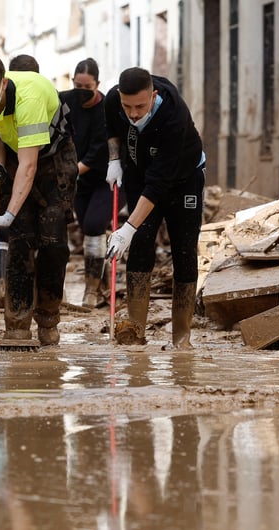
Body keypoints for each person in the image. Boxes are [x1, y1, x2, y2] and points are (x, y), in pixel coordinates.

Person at [0, 51, 77, 345]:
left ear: (2, 83)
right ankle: (16, 324)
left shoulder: (30, 98)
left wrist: (8, 213)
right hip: (16, 152)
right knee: (19, 241)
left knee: (53, 243)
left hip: (54, 158)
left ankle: (49, 319)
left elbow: (30, 166)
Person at [104, 67, 205, 349]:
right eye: (128, 106)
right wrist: (114, 159)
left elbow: (159, 185)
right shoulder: (114, 100)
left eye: (140, 106)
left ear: (154, 95)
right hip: (139, 175)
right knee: (141, 245)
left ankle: (181, 338)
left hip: (183, 179)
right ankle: (135, 332)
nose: (133, 114)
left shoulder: (174, 116)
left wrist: (127, 229)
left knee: (184, 250)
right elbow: (112, 127)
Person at [60, 58, 112, 308]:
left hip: (105, 176)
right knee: (84, 225)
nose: (81, 93)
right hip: (78, 178)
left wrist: (70, 171)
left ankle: (91, 289)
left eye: (87, 87)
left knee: (94, 224)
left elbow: (98, 150)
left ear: (97, 84)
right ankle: (102, 283)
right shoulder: (66, 101)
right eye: (77, 86)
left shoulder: (107, 108)